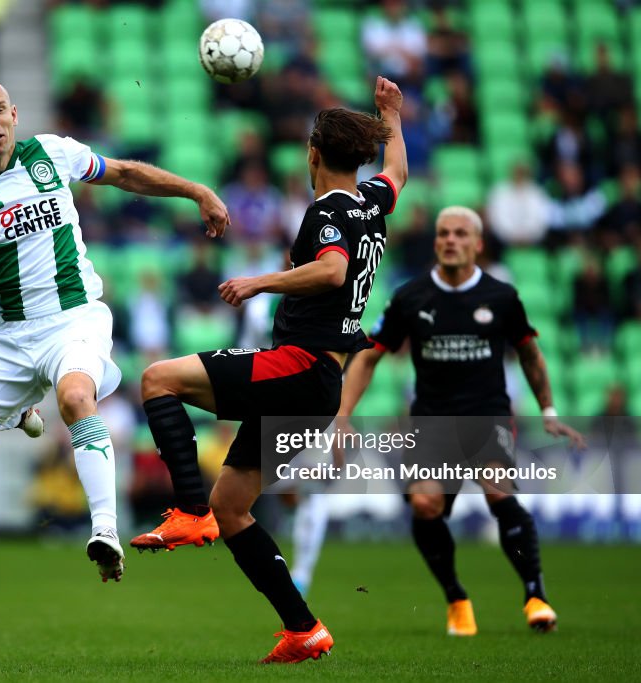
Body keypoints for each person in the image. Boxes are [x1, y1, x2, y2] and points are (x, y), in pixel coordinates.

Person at [0, 78, 229, 583]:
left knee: (76, 395)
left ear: (15, 114)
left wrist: (195, 190)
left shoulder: (53, 154)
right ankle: (17, 408)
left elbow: (125, 174)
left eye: (0, 110)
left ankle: (104, 529)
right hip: (7, 342)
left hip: (75, 320)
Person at [132, 77, 408, 663]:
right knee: (235, 508)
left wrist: (262, 281)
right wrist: (393, 118)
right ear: (359, 158)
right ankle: (303, 628)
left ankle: (187, 512)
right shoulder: (371, 203)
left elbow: (332, 271)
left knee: (158, 379)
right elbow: (399, 174)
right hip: (318, 382)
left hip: (300, 366)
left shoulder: (327, 210)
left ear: (312, 154)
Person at [336, 205, 585, 636]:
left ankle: (536, 595)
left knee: (497, 492)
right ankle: (456, 598)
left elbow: (529, 353)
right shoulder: (411, 297)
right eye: (444, 233)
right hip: (432, 422)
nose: (451, 240)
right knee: (426, 504)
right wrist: (342, 414)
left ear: (478, 244)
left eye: (460, 234)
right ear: (435, 242)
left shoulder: (501, 298)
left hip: (487, 416)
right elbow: (369, 357)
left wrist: (548, 411)